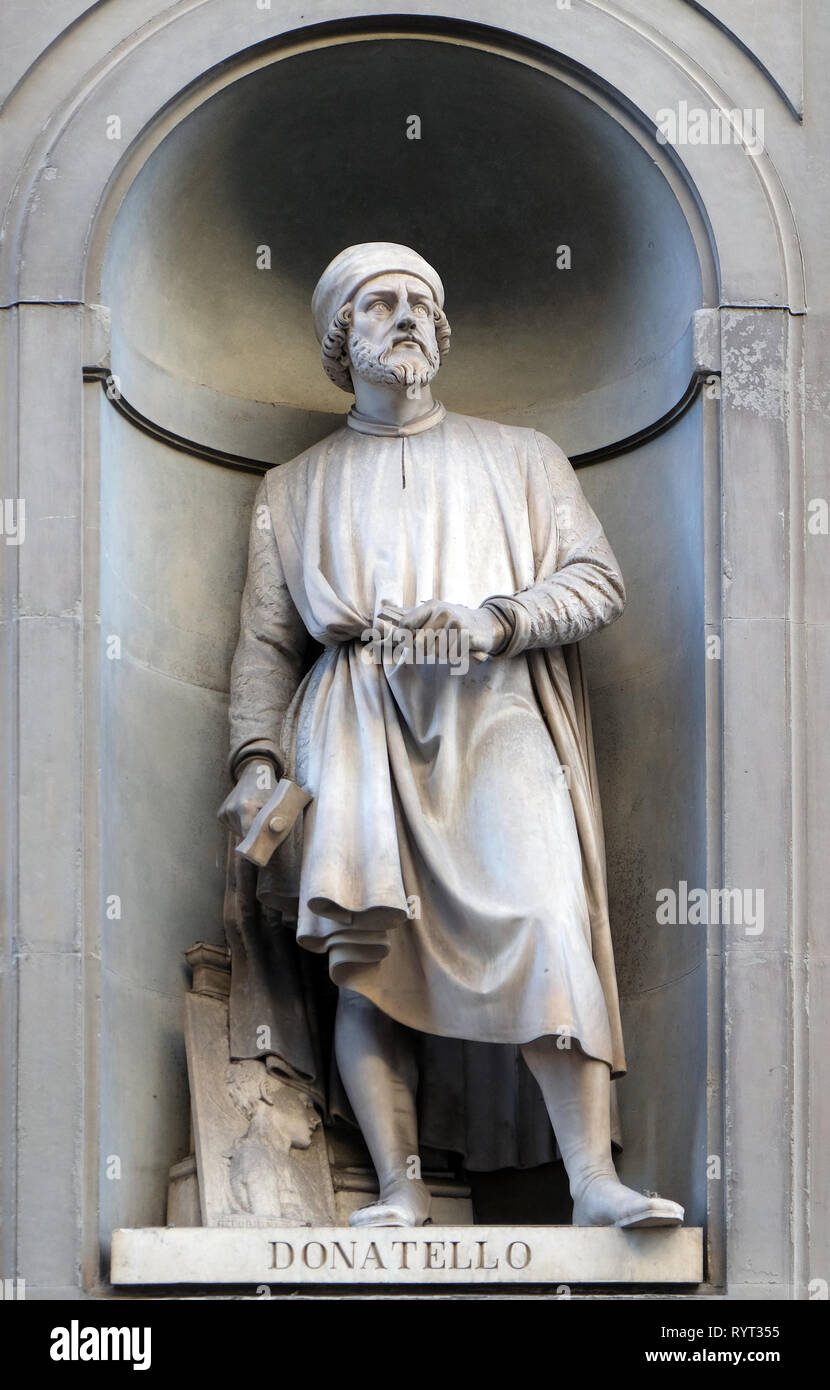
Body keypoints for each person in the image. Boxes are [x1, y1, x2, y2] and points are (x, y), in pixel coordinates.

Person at [219, 242, 684, 1230]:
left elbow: (594, 580)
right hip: (350, 717)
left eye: (422, 303)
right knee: (363, 951)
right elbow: (264, 642)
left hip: (489, 709)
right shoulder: (291, 488)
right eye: (380, 303)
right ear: (341, 335)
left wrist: (497, 619)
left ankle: (589, 1181)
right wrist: (256, 757)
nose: (406, 318)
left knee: (546, 915)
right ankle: (400, 1189)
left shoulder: (521, 456)